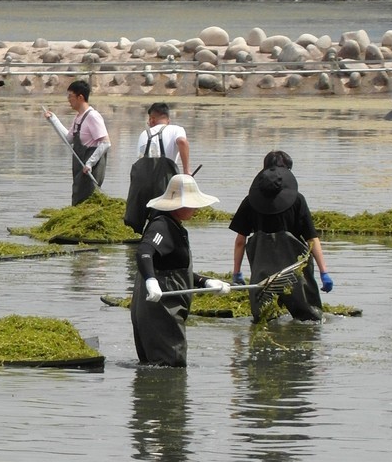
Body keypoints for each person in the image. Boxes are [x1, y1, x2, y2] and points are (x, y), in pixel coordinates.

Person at [131, 173, 230, 367]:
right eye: (191, 204)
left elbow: (174, 269)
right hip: (159, 308)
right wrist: (151, 281)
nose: (194, 208)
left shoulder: (175, 227)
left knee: (164, 363)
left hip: (168, 306)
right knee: (169, 364)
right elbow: (144, 252)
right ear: (178, 205)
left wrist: (205, 282)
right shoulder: (162, 226)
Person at [228, 150, 333, 322]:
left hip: (263, 276)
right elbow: (312, 239)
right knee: (309, 319)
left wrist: (237, 272)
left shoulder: (249, 202)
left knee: (263, 321)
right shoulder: (298, 200)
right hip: (295, 274)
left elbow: (240, 241)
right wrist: (324, 272)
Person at [124, 102, 192, 234]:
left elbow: (140, 160)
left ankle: (135, 246)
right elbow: (182, 142)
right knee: (163, 217)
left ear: (152, 119)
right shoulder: (175, 129)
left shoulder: (144, 133)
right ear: (168, 118)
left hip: (140, 182)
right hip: (163, 180)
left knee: (135, 221)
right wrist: (186, 171)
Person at [41, 79, 110, 204]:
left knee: (89, 201)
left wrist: (90, 163)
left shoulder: (93, 116)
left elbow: (105, 143)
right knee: (78, 199)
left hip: (90, 169)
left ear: (80, 97)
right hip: (80, 168)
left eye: (70, 96)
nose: (68, 99)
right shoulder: (79, 117)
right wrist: (53, 120)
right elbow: (69, 139)